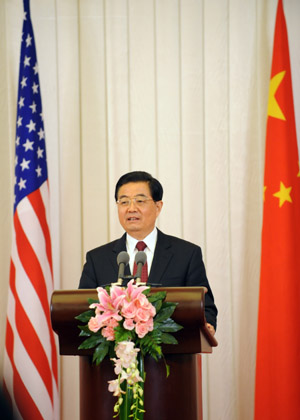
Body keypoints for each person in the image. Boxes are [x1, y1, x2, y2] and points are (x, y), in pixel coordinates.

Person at [79, 171, 217, 334]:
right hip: (114, 357)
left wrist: (208, 326)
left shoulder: (186, 254)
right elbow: (82, 310)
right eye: (124, 202)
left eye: (140, 201)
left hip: (172, 356)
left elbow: (205, 308)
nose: (131, 208)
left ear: (158, 207)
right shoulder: (97, 259)